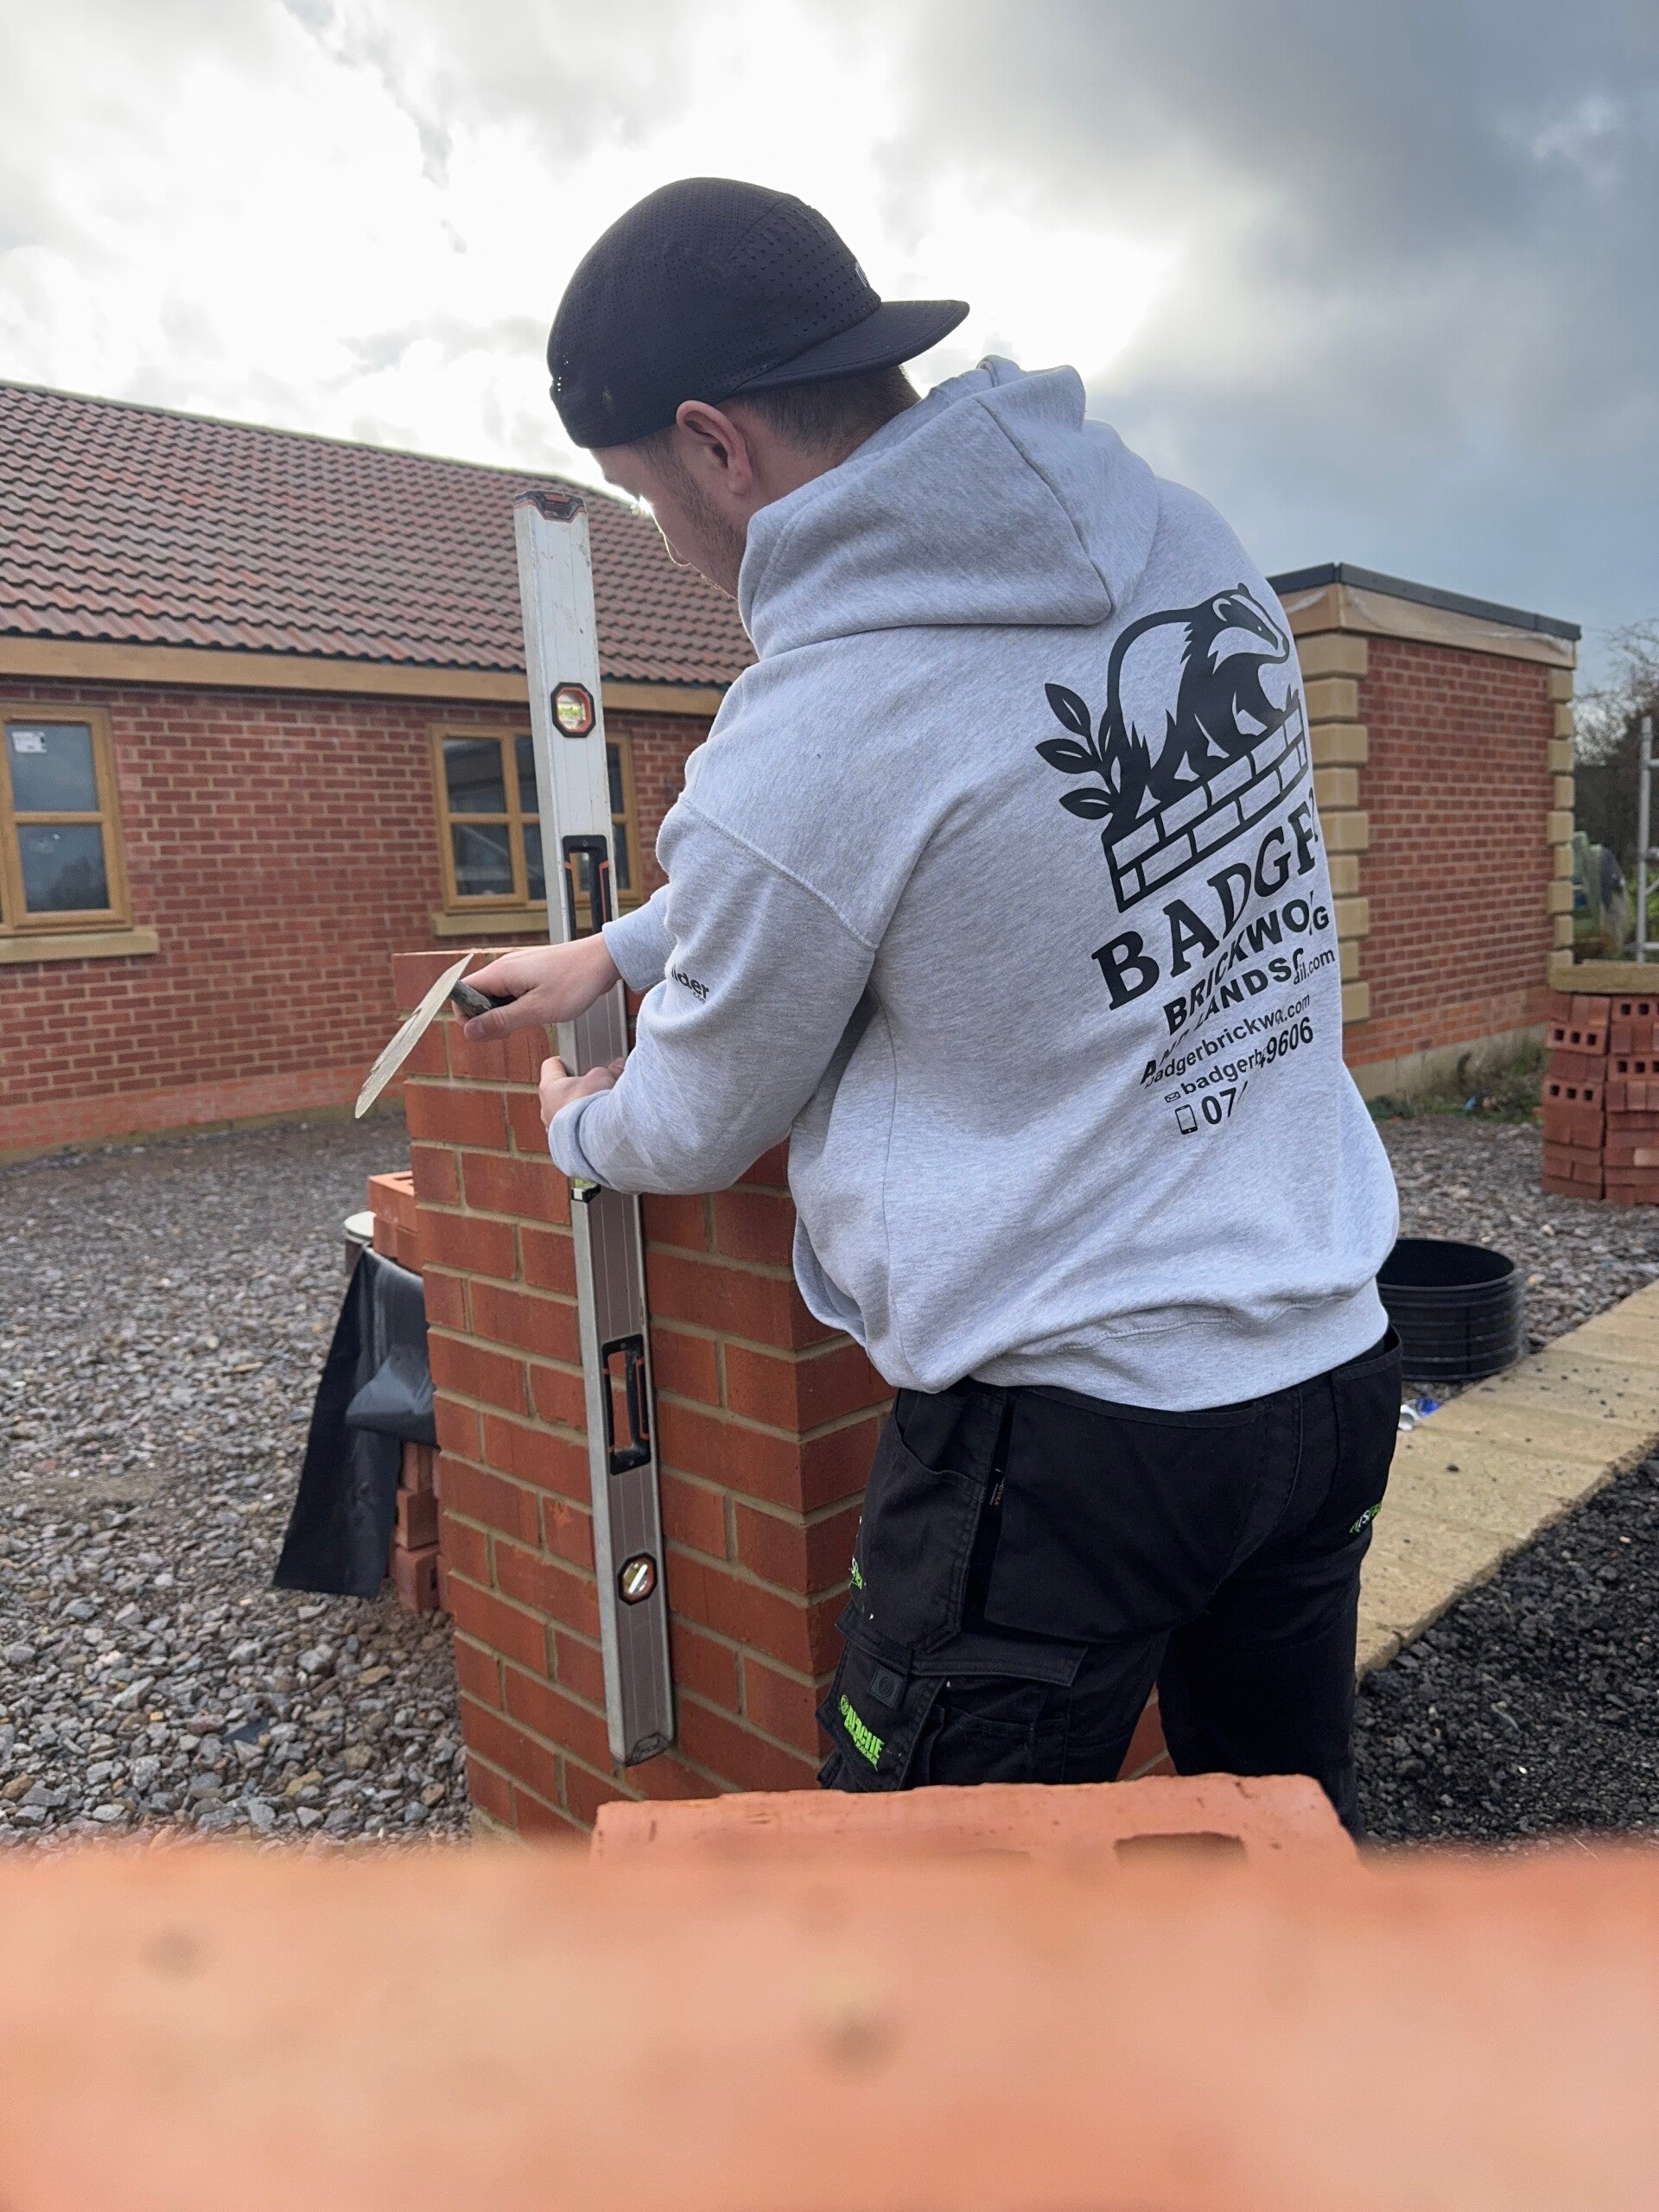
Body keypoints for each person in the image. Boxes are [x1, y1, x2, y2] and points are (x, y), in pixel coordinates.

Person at [467, 177, 1402, 1830]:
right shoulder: (1181, 540)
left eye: (643, 493)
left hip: (1076, 1451)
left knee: (930, 1910)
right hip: (1328, 1362)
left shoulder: (814, 723)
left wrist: (577, 1129)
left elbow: (697, 1118)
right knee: (1270, 1853)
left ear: (714, 444)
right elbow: (976, 840)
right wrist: (627, 947)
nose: (666, 538)